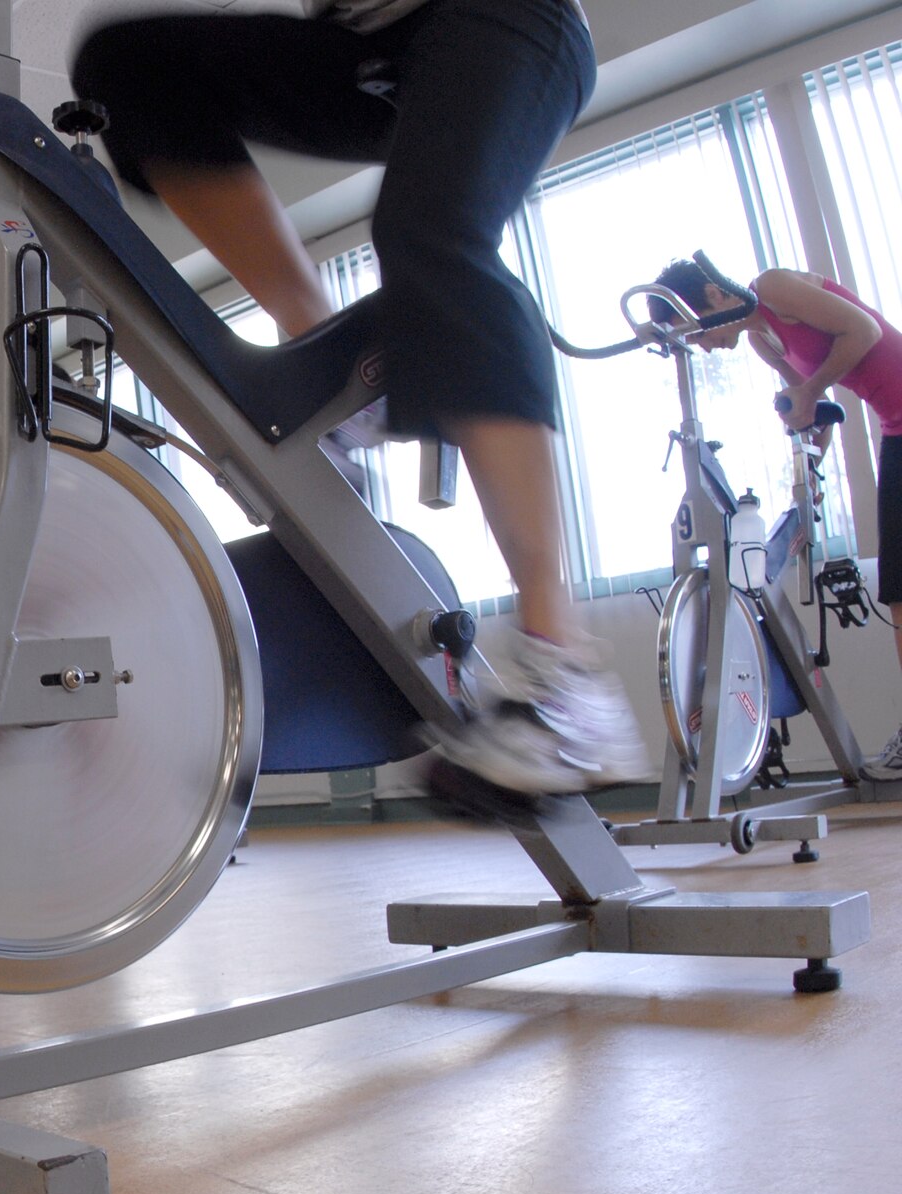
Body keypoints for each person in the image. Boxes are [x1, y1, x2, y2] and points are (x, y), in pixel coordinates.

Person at [71, 0, 648, 800]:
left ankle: (567, 683)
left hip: (508, 16)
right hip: (371, 44)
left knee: (431, 235)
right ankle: (329, 361)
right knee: (128, 67)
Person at [653, 258, 902, 781]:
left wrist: (810, 393)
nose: (701, 345)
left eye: (696, 330)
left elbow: (865, 330)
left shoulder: (774, 288)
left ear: (714, 296)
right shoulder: (767, 341)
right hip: (894, 424)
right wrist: (811, 442)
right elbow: (818, 402)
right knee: (898, 589)